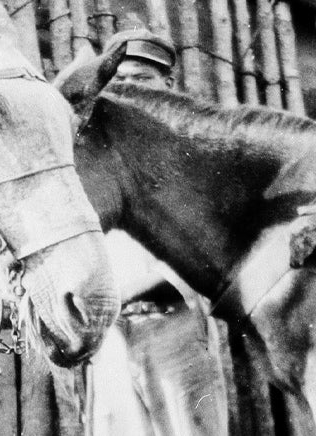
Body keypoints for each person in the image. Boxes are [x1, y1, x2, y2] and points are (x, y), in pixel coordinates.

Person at [90, 28, 227, 436]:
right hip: (112, 333)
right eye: (120, 80)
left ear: (168, 85)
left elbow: (210, 248)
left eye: (142, 78)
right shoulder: (95, 156)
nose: (129, 89)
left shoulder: (195, 156)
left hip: (172, 325)